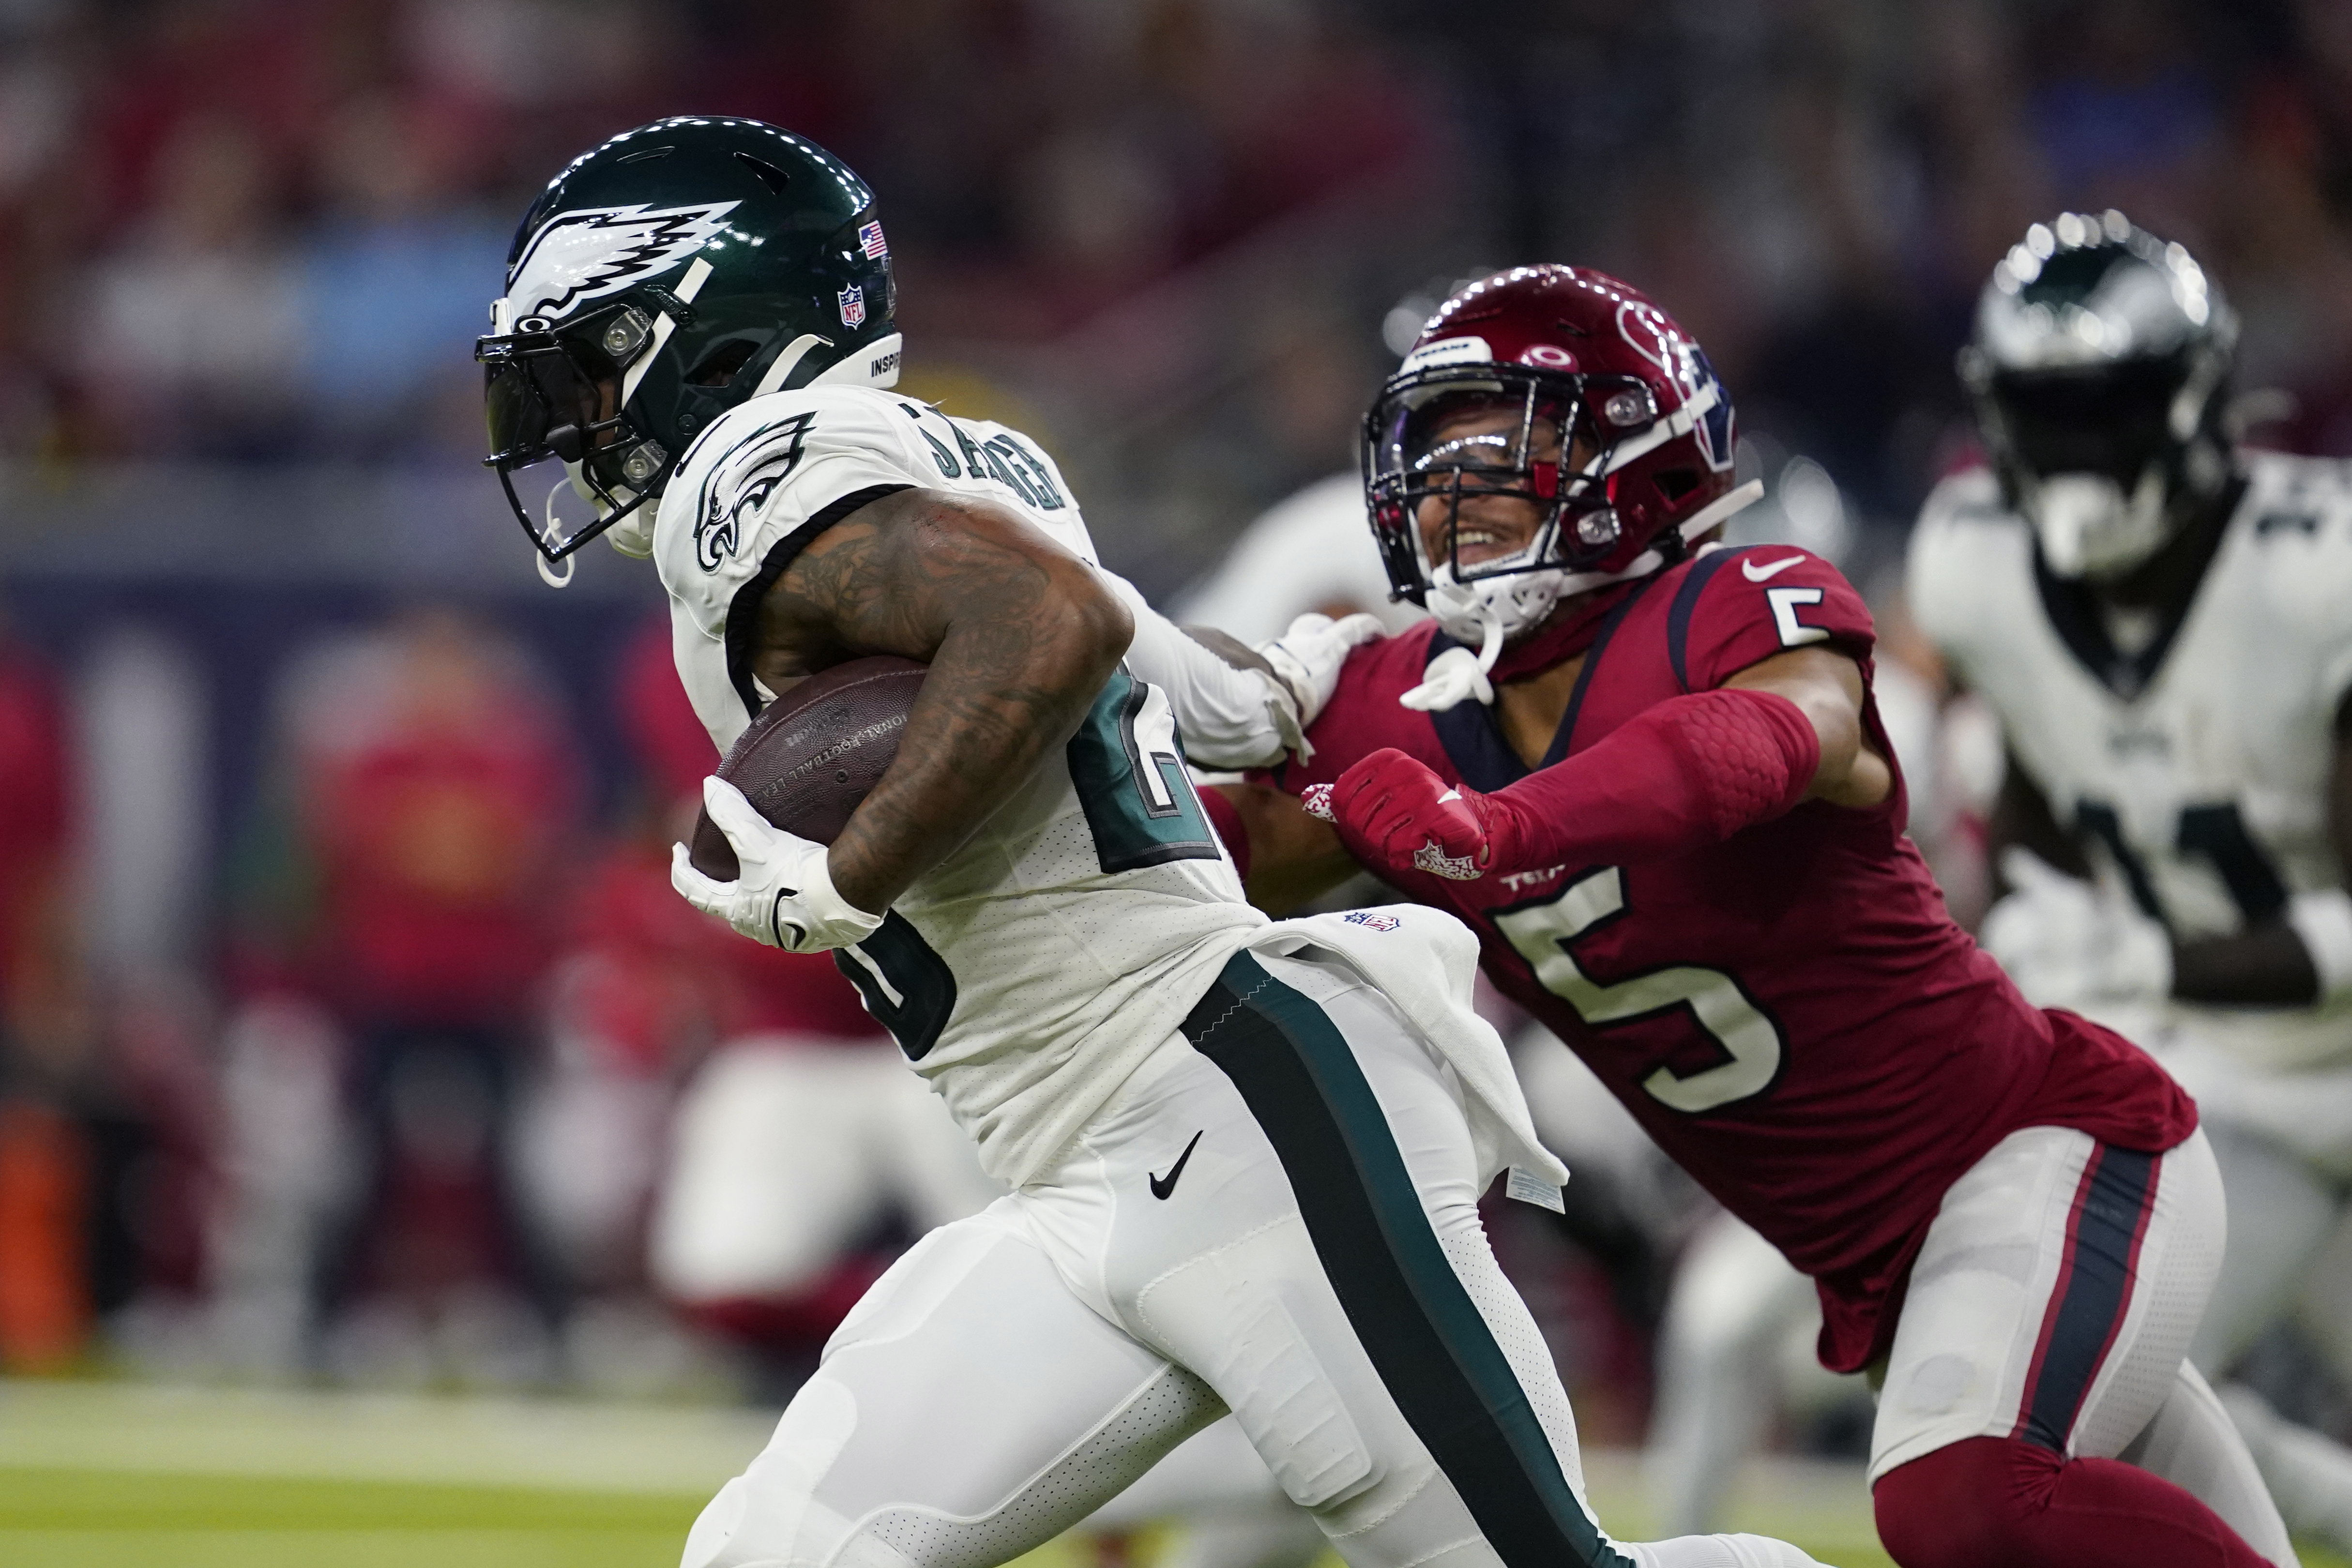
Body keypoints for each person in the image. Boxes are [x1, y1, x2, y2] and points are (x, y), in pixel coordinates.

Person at [475, 118, 1826, 1568]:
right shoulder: (955, 450)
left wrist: (842, 876)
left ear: (714, 330)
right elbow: (1170, 675)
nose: (586, 414)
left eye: (602, 359)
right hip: (1086, 1167)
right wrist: (1280, 684)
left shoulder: (758, 464)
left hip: (1230, 1104)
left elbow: (1047, 625)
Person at [1214, 262, 2296, 1568]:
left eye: (1497, 456)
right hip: (1883, 1262)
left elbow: (1783, 733)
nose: (1450, 496)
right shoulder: (1393, 699)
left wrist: (1501, 831)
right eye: (1431, 459)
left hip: (2045, 1155)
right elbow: (1203, 868)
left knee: (1957, 1498)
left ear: (1634, 462)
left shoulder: (1732, 607)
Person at [1909, 210, 2352, 1554]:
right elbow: (2048, 788)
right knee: (2106, 1396)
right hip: (2227, 1090)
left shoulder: (2315, 573)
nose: (2074, 452)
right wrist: (2042, 903)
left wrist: (2145, 959)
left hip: (2307, 1050)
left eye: (2103, 410)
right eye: (2045, 413)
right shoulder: (1973, 563)